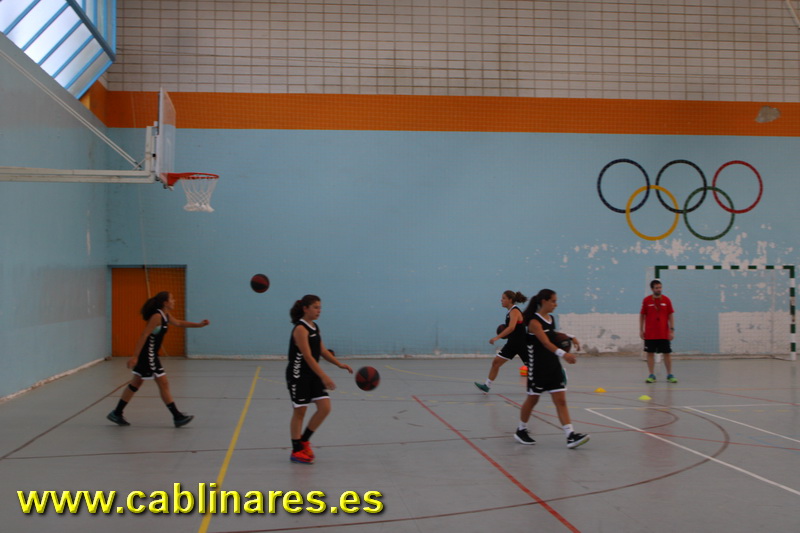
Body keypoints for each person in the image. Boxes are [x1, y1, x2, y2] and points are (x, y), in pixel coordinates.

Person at [107, 291, 209, 427]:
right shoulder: (157, 316)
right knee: (163, 382)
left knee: (136, 382)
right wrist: (135, 356)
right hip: (148, 354)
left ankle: (117, 413)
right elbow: (144, 335)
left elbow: (178, 323)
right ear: (165, 303)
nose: (174, 301)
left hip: (151, 354)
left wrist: (199, 325)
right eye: (172, 299)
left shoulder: (165, 315)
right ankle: (177, 416)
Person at [515, 289, 589, 449]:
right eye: (553, 301)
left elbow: (552, 334)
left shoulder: (550, 319)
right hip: (538, 368)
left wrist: (570, 336)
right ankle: (521, 430)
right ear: (544, 301)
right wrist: (564, 354)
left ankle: (570, 435)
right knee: (533, 399)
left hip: (553, 366)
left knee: (561, 400)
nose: (556, 304)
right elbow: (545, 342)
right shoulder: (534, 322)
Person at [287, 295, 353, 464]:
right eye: (315, 307)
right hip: (298, 375)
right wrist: (324, 376)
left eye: (320, 307)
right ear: (305, 309)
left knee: (325, 407)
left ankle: (304, 441)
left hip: (312, 373)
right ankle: (296, 450)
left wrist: (339, 364)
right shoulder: (300, 329)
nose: (319, 311)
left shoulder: (314, 327)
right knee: (300, 412)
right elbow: (308, 356)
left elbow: (322, 350)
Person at [474, 290, 528, 393]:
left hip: (521, 344)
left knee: (534, 367)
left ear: (510, 300)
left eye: (503, 298)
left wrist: (497, 337)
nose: (501, 300)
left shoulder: (514, 311)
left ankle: (555, 378)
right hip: (512, 344)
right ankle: (487, 385)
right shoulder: (509, 312)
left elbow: (511, 327)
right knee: (496, 362)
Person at [640, 279, 677, 383]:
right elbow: (642, 315)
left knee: (667, 353)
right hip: (650, 334)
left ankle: (669, 374)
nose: (659, 289)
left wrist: (672, 330)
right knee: (650, 353)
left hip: (663, 333)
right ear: (652, 289)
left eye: (660, 287)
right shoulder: (646, 300)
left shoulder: (666, 300)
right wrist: (641, 330)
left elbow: (670, 315)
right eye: (656, 288)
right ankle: (651, 375)